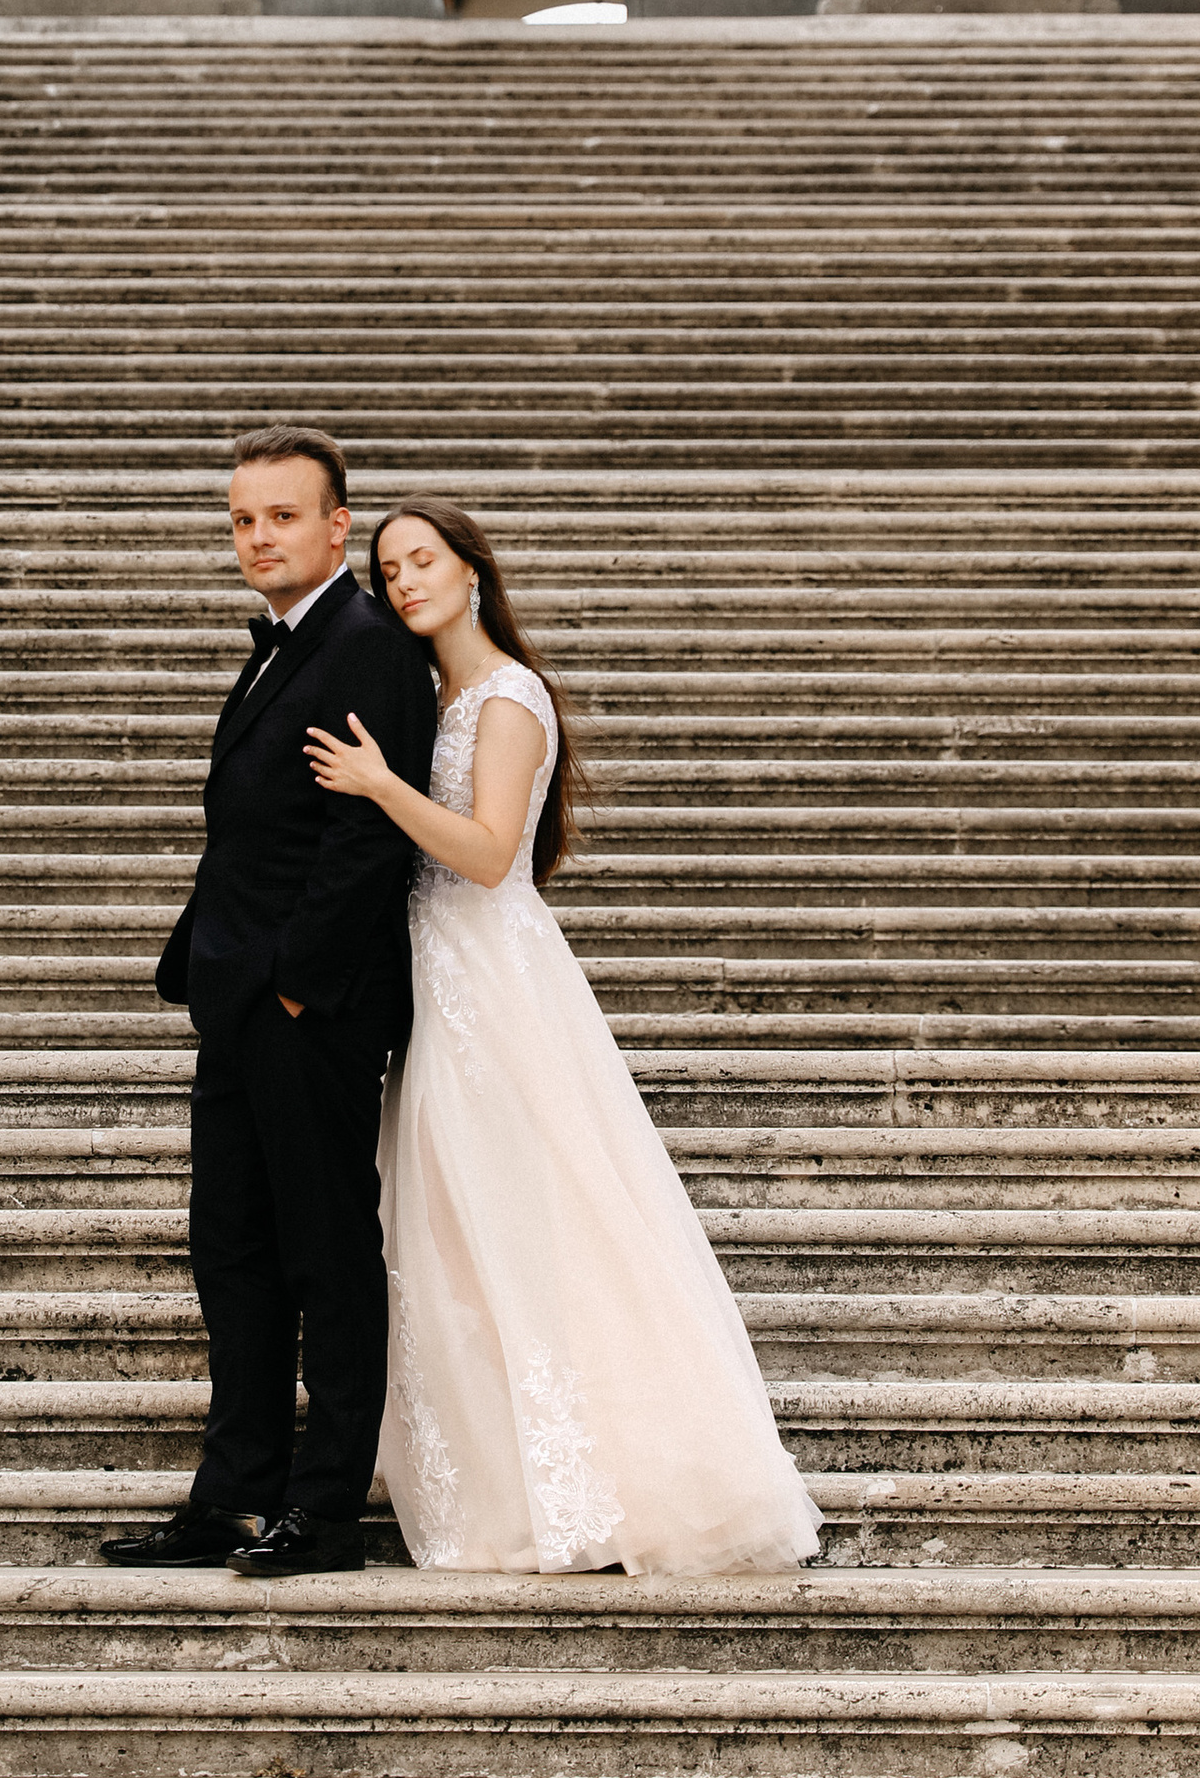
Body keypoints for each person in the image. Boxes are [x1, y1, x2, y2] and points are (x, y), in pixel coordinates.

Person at [305, 501, 821, 1578]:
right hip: (433, 976)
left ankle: (611, 1475)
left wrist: (381, 785)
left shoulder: (508, 697)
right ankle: (514, 1478)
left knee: (534, 1214)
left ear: (472, 573)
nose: (404, 583)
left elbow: (491, 853)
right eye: (388, 570)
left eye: (423, 561)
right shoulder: (433, 698)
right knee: (455, 1227)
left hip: (493, 979)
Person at [102, 426, 437, 1582]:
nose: (257, 537)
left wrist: (296, 983)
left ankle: (325, 1507)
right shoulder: (284, 645)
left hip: (310, 1007)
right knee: (231, 1248)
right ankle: (232, 1490)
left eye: (281, 516)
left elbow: (367, 838)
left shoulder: (369, 646)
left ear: (339, 526)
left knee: (325, 1252)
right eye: (243, 519)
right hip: (236, 999)